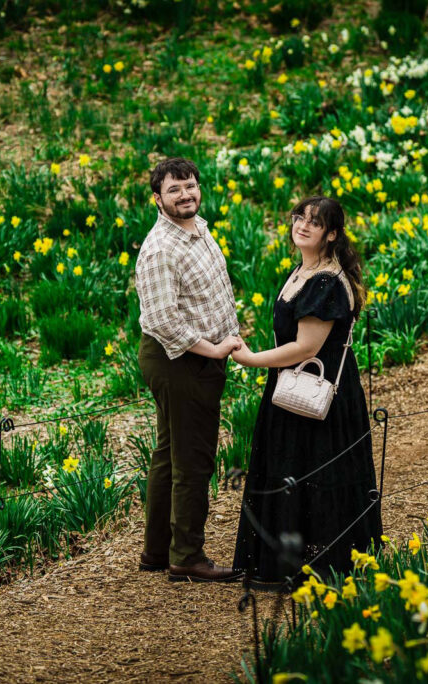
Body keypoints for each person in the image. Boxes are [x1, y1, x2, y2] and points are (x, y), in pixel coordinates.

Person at [231, 196, 382, 590]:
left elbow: (306, 348)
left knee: (314, 471)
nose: (302, 225)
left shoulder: (327, 283)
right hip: (292, 389)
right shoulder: (303, 270)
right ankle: (288, 561)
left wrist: (251, 359)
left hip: (317, 396)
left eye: (314, 222)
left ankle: (315, 567)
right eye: (299, 217)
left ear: (331, 234)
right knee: (293, 470)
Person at [135, 157, 244, 583]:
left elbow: (212, 293)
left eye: (191, 186)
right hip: (179, 359)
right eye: (174, 189)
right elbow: (164, 321)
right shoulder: (161, 249)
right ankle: (187, 556)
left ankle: (156, 551)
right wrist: (215, 349)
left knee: (169, 454)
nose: (186, 195)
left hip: (196, 355)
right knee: (193, 459)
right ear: (157, 199)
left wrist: (229, 335)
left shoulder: (197, 230)